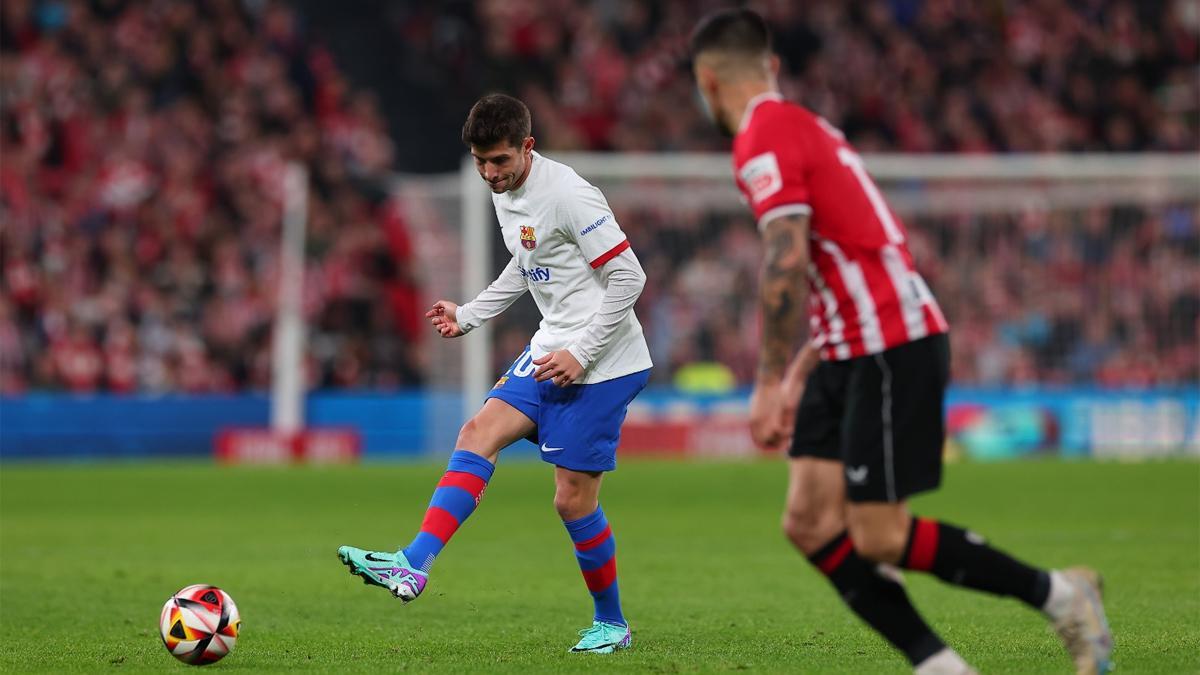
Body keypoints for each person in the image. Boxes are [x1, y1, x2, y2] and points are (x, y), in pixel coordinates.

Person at [689, 9, 1112, 675]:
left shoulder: (762, 136)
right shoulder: (804, 128)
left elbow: (786, 257)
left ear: (708, 80)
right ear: (769, 67)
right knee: (807, 519)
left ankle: (1062, 595)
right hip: (848, 342)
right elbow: (850, 253)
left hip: (889, 341)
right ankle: (942, 666)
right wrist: (803, 366)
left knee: (878, 533)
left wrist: (768, 380)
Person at [337, 93, 652, 654]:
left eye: (500, 162)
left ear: (528, 148)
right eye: (481, 163)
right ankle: (413, 564)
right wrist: (470, 315)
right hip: (549, 348)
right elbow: (527, 260)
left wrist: (581, 354)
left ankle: (612, 623)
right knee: (476, 434)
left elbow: (630, 279)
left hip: (603, 362)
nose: (489, 174)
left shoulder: (571, 196)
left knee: (572, 501)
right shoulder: (508, 192)